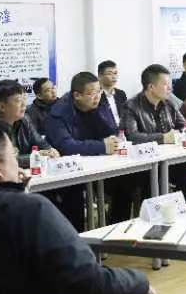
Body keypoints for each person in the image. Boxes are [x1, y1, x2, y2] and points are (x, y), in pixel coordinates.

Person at [0, 115, 158, 294]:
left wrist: (14, 193)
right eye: (13, 157)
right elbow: (91, 285)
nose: (18, 165)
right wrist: (140, 281)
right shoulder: (32, 210)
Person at [47, 72, 143, 224]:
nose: (97, 97)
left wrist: (102, 118)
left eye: (99, 91)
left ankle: (116, 229)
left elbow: (112, 132)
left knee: (127, 182)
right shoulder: (59, 113)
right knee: (74, 199)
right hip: (69, 173)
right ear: (77, 95)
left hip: (96, 164)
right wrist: (102, 146)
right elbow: (66, 146)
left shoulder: (98, 104)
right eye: (92, 93)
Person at [123, 64, 186, 199]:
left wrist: (181, 134)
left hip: (169, 157)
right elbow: (131, 137)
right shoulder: (131, 106)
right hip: (144, 163)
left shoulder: (168, 103)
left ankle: (185, 207)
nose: (170, 88)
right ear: (151, 86)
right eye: (166, 85)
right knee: (151, 181)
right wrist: (163, 138)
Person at [0, 80, 58, 160]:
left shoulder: (24, 119)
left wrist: (50, 150)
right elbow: (1, 160)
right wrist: (34, 157)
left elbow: (40, 142)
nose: (24, 104)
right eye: (18, 100)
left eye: (24, 99)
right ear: (1, 106)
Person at [98, 60, 128, 128]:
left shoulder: (121, 94)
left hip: (123, 130)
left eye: (115, 73)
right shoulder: (96, 95)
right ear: (100, 76)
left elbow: (126, 115)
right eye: (109, 74)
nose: (114, 77)